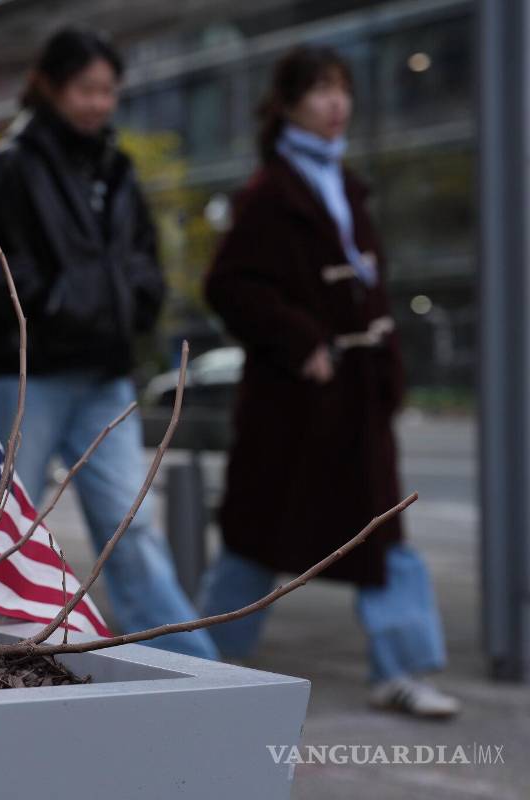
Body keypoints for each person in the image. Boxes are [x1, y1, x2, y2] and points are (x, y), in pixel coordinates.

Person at [0, 28, 217, 660]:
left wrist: (138, 301)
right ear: (54, 87)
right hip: (27, 375)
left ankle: (192, 665)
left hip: (104, 374)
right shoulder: (11, 164)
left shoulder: (115, 168)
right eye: (86, 88)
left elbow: (142, 253)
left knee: (131, 525)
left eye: (108, 90)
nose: (99, 103)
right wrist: (46, 298)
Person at [199, 46, 459, 717]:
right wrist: (304, 340)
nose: (337, 103)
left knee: (385, 538)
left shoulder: (344, 186)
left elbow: (367, 292)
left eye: (342, 89)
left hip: (353, 400)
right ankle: (197, 662)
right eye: (319, 91)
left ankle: (398, 670)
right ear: (287, 104)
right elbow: (228, 285)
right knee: (255, 539)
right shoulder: (268, 193)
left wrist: (385, 370)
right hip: (295, 403)